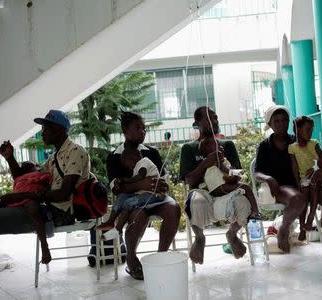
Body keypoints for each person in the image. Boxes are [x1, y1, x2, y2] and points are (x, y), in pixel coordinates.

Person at [0, 109, 90, 265]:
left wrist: (19, 196)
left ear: (60, 129)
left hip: (63, 212)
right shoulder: (55, 157)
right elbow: (25, 179)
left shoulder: (75, 151)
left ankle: (45, 248)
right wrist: (10, 158)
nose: (42, 133)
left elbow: (63, 194)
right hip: (48, 208)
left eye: (45, 128)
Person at [254, 105, 322, 252]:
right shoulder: (264, 146)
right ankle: (284, 229)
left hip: (310, 183)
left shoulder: (297, 140)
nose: (281, 124)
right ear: (270, 124)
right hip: (284, 187)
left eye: (284, 120)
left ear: (289, 122)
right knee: (299, 199)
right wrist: (268, 178)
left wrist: (320, 171)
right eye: (277, 121)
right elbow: (257, 172)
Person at [106, 111, 180, 280]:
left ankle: (160, 258)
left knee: (173, 208)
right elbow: (117, 189)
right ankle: (131, 258)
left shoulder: (151, 153)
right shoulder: (114, 157)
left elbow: (163, 179)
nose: (142, 131)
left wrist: (163, 184)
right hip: (134, 202)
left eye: (144, 128)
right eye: (137, 128)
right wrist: (140, 184)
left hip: (156, 196)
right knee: (137, 217)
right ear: (125, 130)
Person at [180, 106, 252, 264]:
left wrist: (227, 170)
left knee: (243, 202)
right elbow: (189, 181)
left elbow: (238, 174)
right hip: (202, 195)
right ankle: (199, 237)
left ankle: (232, 234)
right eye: (208, 118)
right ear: (197, 123)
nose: (214, 121)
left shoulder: (227, 145)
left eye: (215, 117)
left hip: (225, 194)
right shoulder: (189, 148)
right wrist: (206, 163)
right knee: (195, 200)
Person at [198, 136, 266, 220]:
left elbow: (229, 171)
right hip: (218, 185)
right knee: (246, 187)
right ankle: (255, 212)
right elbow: (226, 170)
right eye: (217, 145)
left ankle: (252, 211)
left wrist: (236, 174)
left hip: (218, 185)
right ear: (208, 149)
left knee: (243, 185)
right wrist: (237, 174)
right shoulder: (214, 159)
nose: (221, 147)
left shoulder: (222, 160)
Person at [97, 146, 161, 233]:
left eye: (126, 163)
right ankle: (110, 221)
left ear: (135, 157)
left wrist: (125, 180)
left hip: (153, 195)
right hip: (142, 194)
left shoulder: (144, 161)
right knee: (122, 197)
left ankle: (118, 229)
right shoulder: (136, 168)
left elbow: (140, 176)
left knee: (128, 203)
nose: (127, 167)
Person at [289, 116, 322, 234]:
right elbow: (294, 168)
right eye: (308, 129)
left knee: (313, 184)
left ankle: (311, 216)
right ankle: (302, 226)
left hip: (318, 177)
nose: (310, 132)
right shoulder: (292, 148)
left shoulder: (314, 143)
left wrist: (316, 168)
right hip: (304, 179)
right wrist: (298, 185)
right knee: (303, 195)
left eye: (312, 129)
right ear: (297, 130)